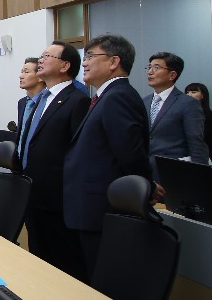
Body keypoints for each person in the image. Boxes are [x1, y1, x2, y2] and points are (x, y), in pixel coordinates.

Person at [64, 34, 159, 276]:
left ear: (114, 61)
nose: (84, 63)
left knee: (103, 279)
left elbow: (130, 152)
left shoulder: (118, 97)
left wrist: (144, 185)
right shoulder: (104, 97)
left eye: (91, 57)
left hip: (102, 208)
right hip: (89, 206)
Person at [19, 42, 89, 281]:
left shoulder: (77, 100)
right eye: (41, 55)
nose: (41, 60)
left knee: (63, 262)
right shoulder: (41, 98)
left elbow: (77, 152)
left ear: (65, 65)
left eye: (47, 56)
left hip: (56, 196)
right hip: (33, 190)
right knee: (39, 256)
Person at [142, 52, 209, 179]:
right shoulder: (143, 102)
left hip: (174, 174)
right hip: (147, 174)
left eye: (156, 67)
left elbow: (196, 142)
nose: (150, 72)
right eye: (149, 67)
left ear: (172, 75)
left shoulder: (188, 103)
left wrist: (201, 179)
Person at [16, 57, 45, 147]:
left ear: (40, 76)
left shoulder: (47, 102)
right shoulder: (22, 103)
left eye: (26, 72)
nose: (21, 76)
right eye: (22, 72)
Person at [183, 82, 212, 157]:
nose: (189, 95)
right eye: (187, 92)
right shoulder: (181, 114)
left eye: (193, 92)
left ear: (203, 95)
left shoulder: (209, 116)